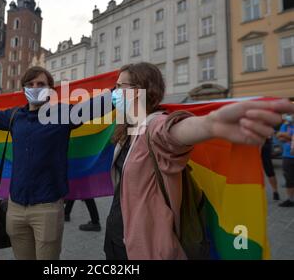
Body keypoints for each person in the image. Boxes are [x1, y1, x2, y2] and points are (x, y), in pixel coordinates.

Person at [104, 62, 294, 260]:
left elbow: (172, 131)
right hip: (116, 236)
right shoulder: (128, 127)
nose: (114, 92)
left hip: (145, 246)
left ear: (137, 91)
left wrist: (210, 125)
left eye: (119, 87)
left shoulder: (154, 125)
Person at [0, 66, 112, 260]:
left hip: (47, 208)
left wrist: (122, 90)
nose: (35, 88)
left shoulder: (63, 114)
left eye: (41, 84)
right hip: (15, 207)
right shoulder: (14, 116)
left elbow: (95, 106)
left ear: (50, 90)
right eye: (30, 84)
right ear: (23, 89)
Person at [276, 114, 294, 207]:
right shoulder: (285, 125)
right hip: (287, 156)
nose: (290, 116)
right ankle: (290, 200)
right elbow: (279, 137)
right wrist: (291, 137)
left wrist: (286, 136)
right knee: (289, 179)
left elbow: (283, 137)